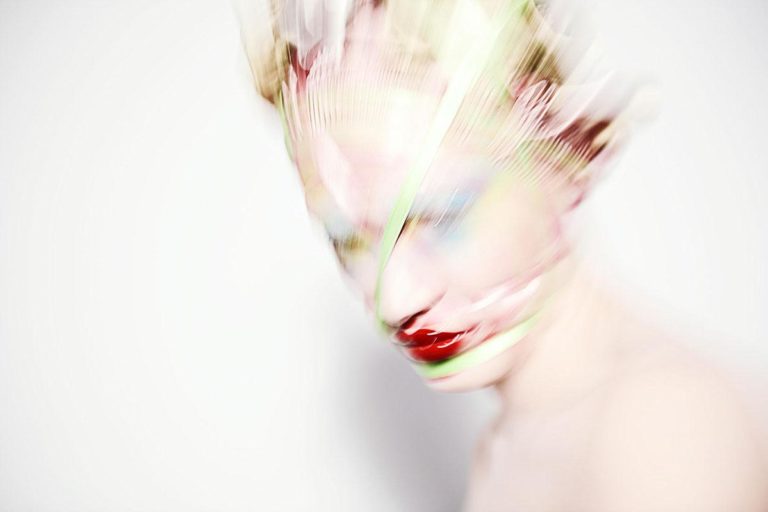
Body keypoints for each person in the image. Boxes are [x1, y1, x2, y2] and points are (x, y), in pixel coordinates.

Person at [238, 0, 768, 509]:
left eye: (443, 216)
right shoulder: (509, 444)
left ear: (564, 152)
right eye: (349, 241)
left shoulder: (668, 441)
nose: (395, 301)